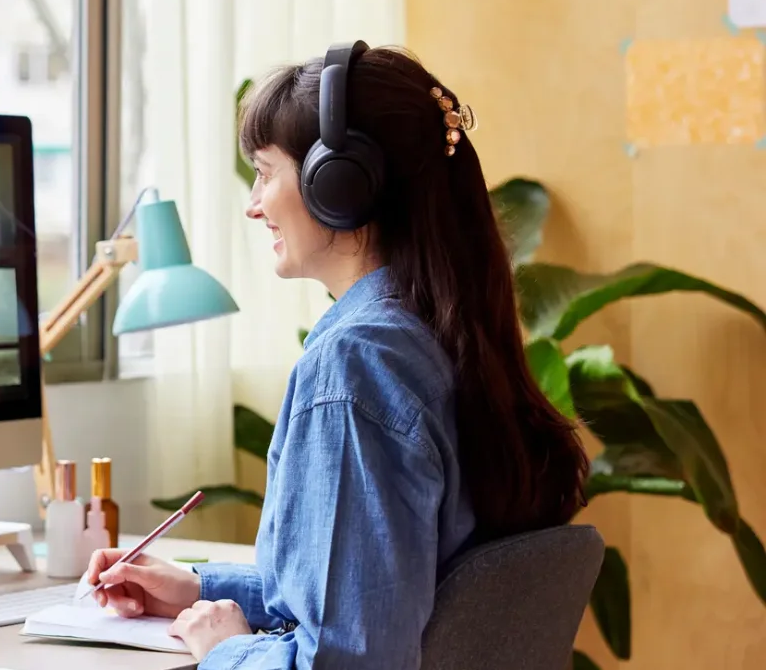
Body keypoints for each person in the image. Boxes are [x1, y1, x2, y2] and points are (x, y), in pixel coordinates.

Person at [82, 43, 588, 668]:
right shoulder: (443, 334)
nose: (253, 202)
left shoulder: (356, 368)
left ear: (340, 185)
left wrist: (228, 651)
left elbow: (351, 658)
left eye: (265, 173)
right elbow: (391, 591)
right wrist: (201, 588)